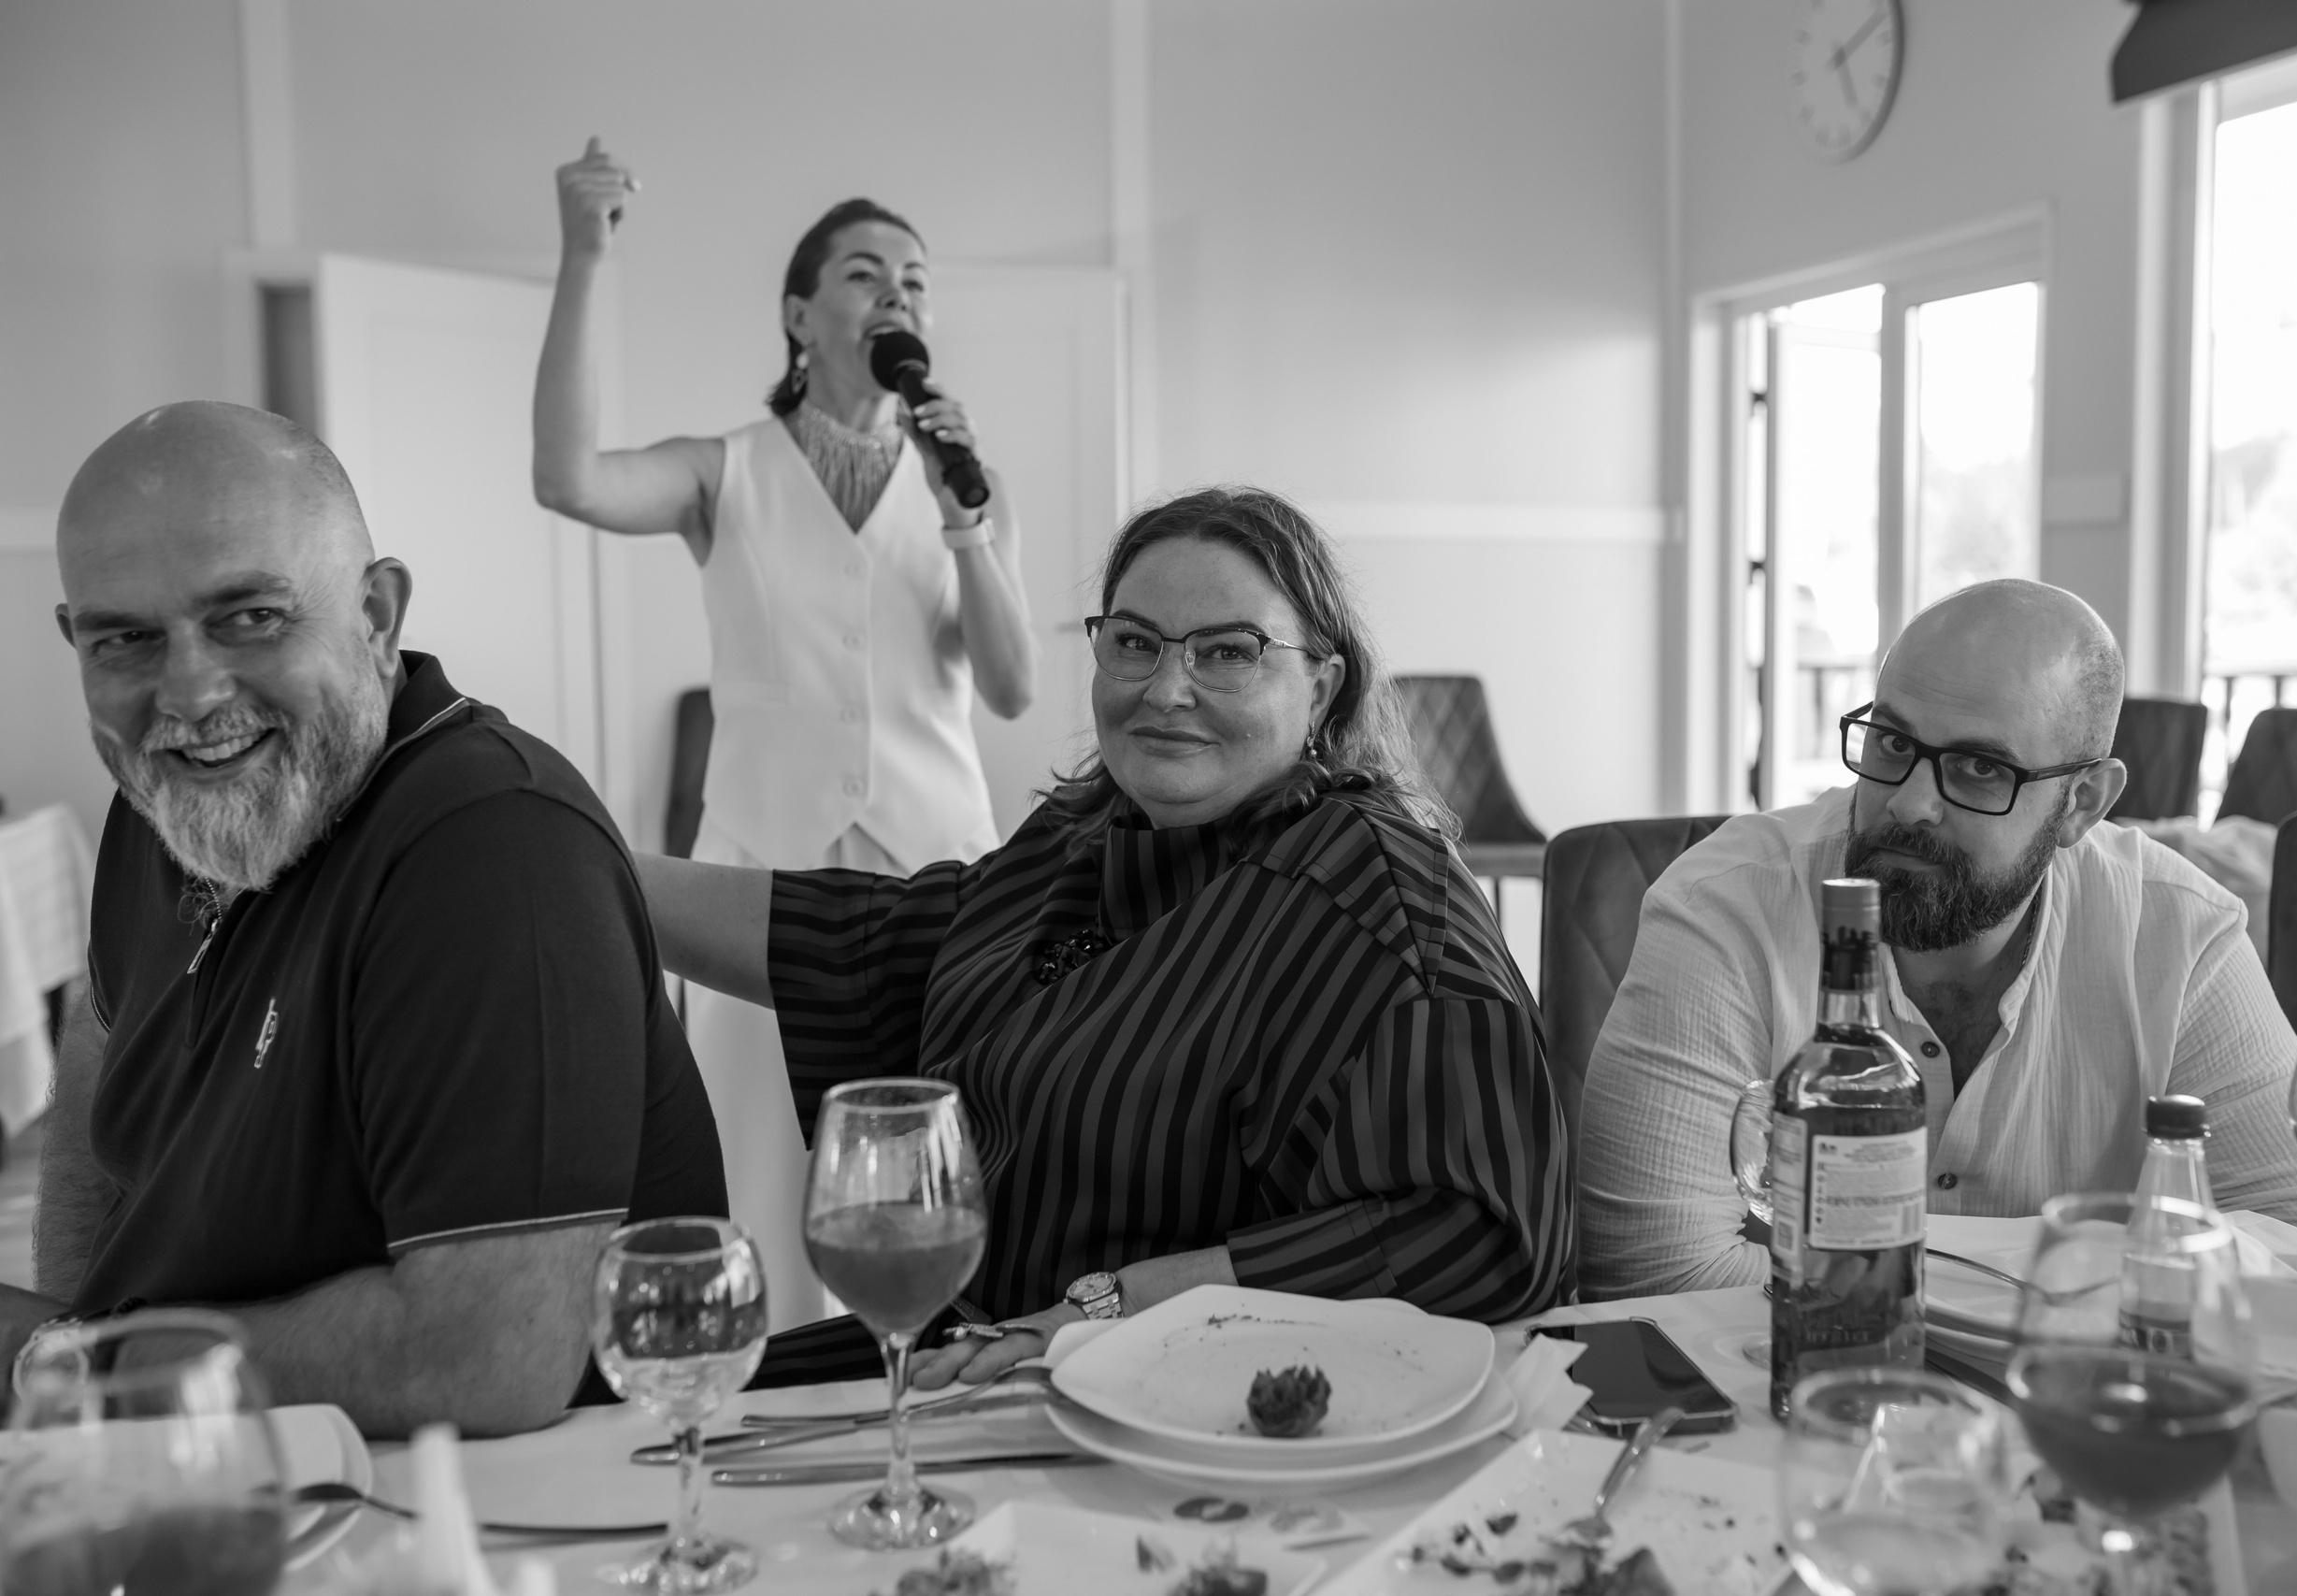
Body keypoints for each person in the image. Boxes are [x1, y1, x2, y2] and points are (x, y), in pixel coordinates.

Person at [641, 487, 1573, 1388]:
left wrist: (1113, 1308)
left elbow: (1488, 1237)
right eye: (1134, 643)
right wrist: (581, 864)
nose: (1167, 689)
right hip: (973, 1365)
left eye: (1228, 652)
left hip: (1179, 1414)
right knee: (614, 1388)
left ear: (1322, 685)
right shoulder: (1084, 837)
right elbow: (876, 942)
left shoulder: (1380, 895)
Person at [18, 401, 726, 1437]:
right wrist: (79, 1362)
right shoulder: (158, 798)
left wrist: (98, 1369)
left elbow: (490, 1358)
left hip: (487, 1517)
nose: (188, 693)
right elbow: (103, 1040)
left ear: (377, 614)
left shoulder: (491, 843)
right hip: (199, 1453)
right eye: (124, 639)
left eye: (249, 616)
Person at [533, 141, 1039, 1327]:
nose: (897, 295)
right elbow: (569, 480)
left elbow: (1012, 689)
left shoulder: (967, 483)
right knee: (758, 1183)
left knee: (932, 1184)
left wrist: (971, 526)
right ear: (799, 315)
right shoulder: (726, 474)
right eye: (866, 275)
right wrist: (582, 257)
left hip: (938, 869)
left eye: (915, 281)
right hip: (762, 875)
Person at [1577, 579, 2297, 1301]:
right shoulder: (1726, 908)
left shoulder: (2177, 932)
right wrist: (2060, 1282)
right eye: (1891, 743)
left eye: (1980, 767)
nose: (1909, 803)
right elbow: (1657, 1273)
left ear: (2082, 802)